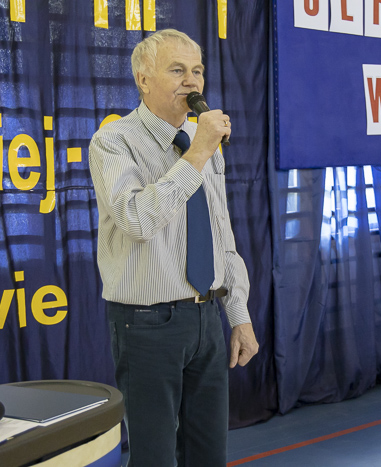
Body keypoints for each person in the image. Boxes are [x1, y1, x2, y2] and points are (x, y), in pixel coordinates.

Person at [88, 29, 258, 466]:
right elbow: (136, 220)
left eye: (197, 71)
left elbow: (221, 233)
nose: (192, 81)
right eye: (177, 70)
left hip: (206, 317)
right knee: (154, 457)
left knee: (208, 453)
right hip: (147, 325)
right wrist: (196, 154)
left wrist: (238, 315)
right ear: (143, 79)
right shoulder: (114, 141)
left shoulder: (204, 143)